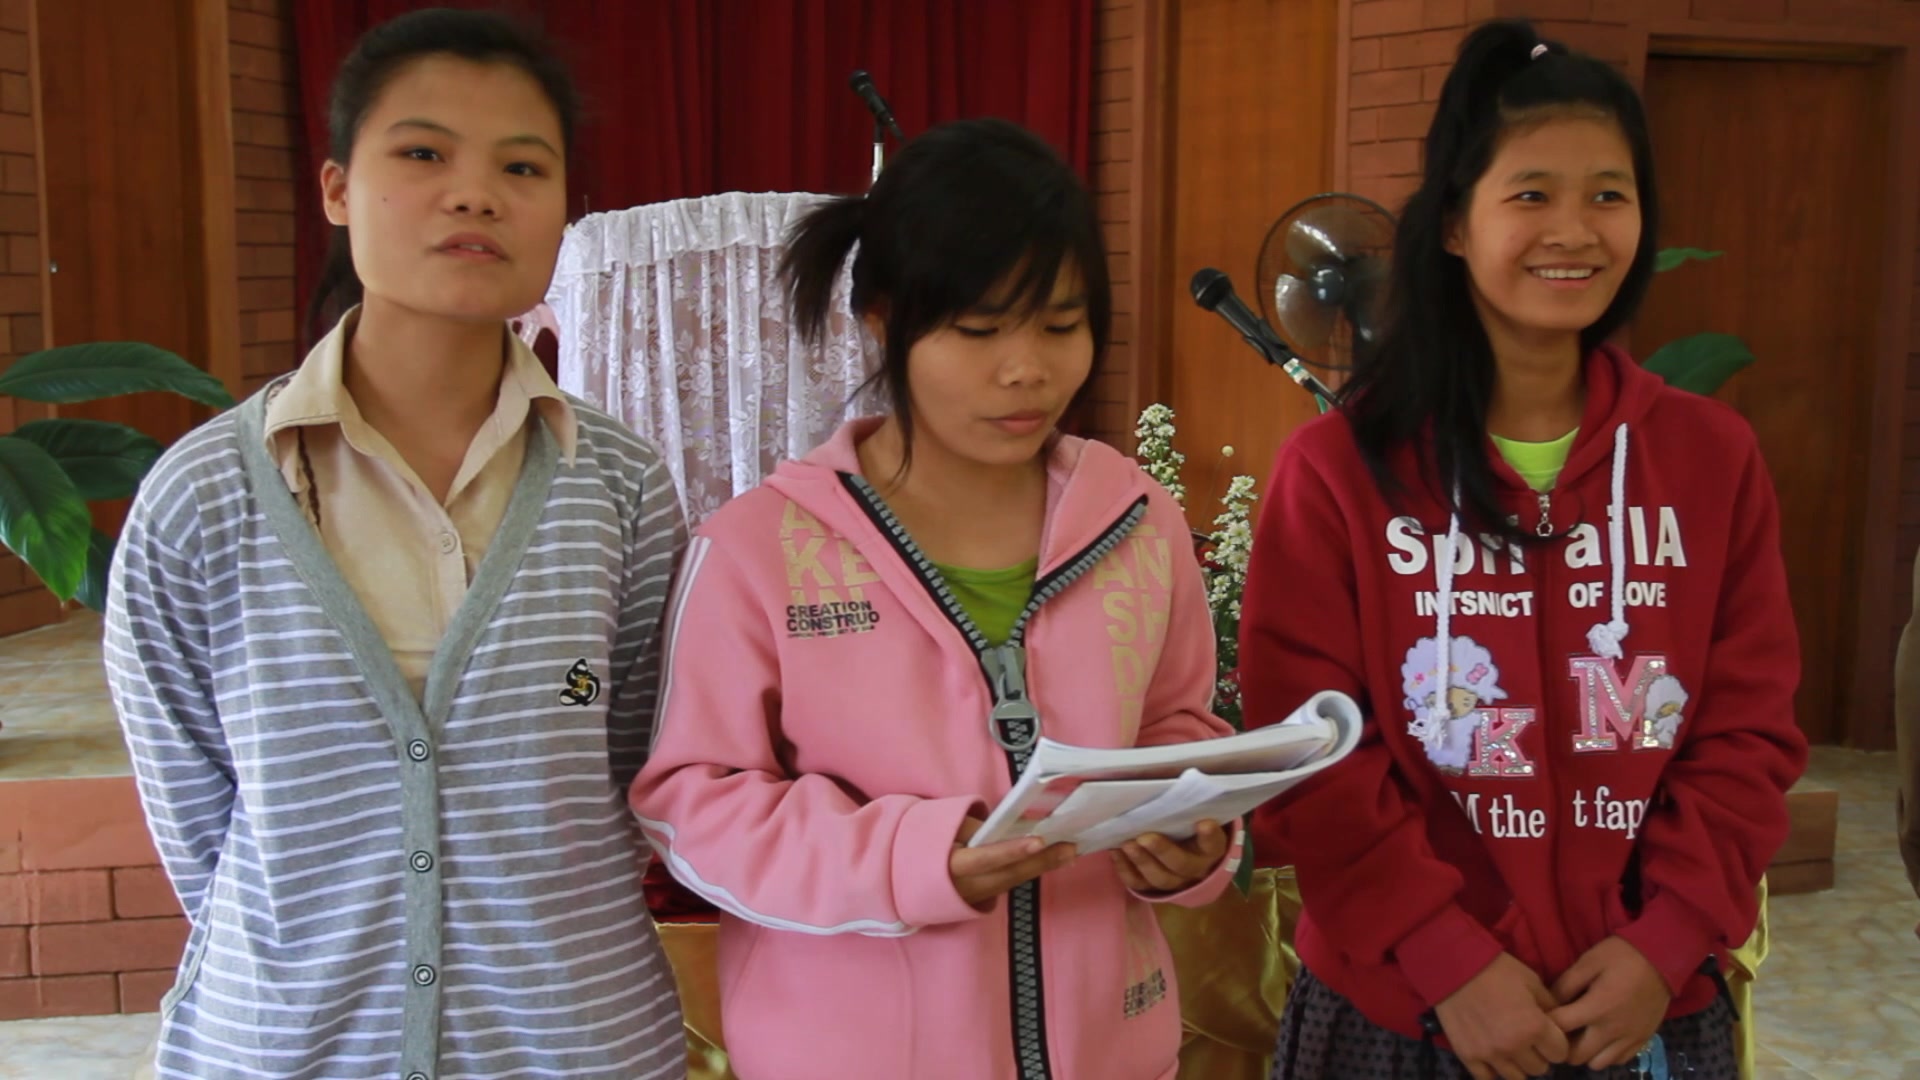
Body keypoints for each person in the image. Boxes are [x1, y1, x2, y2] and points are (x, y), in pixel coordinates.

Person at [104, 9, 687, 1078]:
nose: (474, 193)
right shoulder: (201, 498)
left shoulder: (621, 489)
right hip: (287, 1045)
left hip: (572, 1045)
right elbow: (205, 831)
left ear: (567, 211)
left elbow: (634, 766)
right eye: (423, 153)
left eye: (523, 165)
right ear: (335, 189)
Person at [1237, 20, 1807, 1080]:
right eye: (1532, 194)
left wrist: (1665, 941)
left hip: (1643, 1005)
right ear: (1454, 223)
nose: (1576, 230)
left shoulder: (1710, 458)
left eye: (1609, 194)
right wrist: (1448, 957)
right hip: (1401, 1009)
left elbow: (1748, 732)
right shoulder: (1339, 470)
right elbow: (1306, 748)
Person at [630, 118, 1239, 1080]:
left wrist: (1193, 836)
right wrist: (914, 861)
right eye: (979, 330)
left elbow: (1178, 724)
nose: (1026, 368)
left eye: (1060, 323)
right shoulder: (758, 551)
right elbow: (692, 809)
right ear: (881, 319)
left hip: (1110, 1050)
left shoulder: (1138, 521)